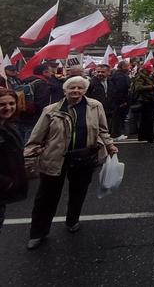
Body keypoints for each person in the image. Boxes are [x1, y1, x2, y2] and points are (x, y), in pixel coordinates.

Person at [23, 76, 118, 250]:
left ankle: (72, 221)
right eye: (72, 88)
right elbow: (36, 136)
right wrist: (29, 156)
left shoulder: (95, 106)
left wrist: (110, 145)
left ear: (84, 90)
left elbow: (103, 130)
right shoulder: (51, 110)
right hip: (55, 159)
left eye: (80, 88)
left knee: (78, 193)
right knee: (46, 198)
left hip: (84, 158)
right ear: (64, 90)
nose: (76, 91)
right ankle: (38, 233)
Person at [0, 89, 27, 230]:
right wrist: (6, 182)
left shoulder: (7, 124)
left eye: (12, 103)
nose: (8, 107)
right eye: (2, 104)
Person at [16, 64, 52, 143]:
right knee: (29, 141)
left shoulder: (25, 80)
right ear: (44, 72)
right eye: (50, 71)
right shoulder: (42, 83)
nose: (51, 74)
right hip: (33, 118)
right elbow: (41, 103)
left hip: (21, 114)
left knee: (20, 140)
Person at [131, 64, 154, 143]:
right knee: (148, 120)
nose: (150, 72)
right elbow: (138, 87)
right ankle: (150, 137)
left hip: (147, 100)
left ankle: (142, 136)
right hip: (145, 100)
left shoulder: (144, 76)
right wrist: (152, 87)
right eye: (149, 70)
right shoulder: (140, 77)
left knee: (145, 120)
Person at [86, 64, 116, 132]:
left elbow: (114, 95)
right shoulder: (91, 83)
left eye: (102, 72)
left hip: (108, 111)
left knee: (106, 130)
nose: (100, 73)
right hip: (95, 111)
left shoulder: (111, 82)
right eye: (98, 71)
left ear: (108, 72)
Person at [109, 61, 131, 140]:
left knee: (116, 118)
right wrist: (122, 102)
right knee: (118, 118)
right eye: (128, 66)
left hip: (117, 101)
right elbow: (120, 90)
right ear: (123, 67)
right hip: (120, 101)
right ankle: (116, 135)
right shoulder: (121, 76)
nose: (129, 68)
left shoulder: (118, 74)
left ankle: (114, 133)